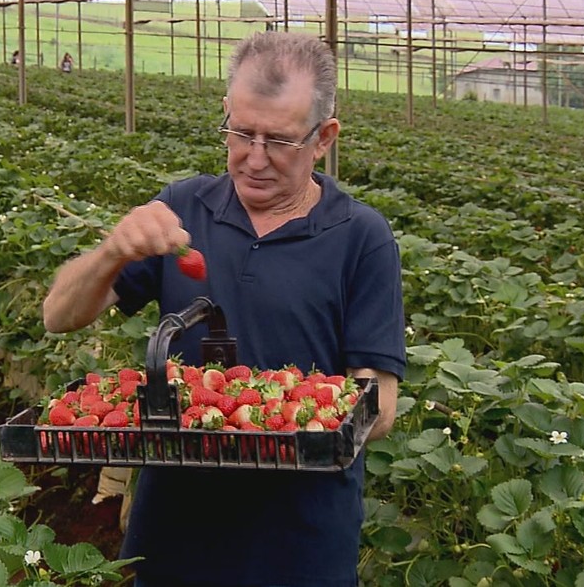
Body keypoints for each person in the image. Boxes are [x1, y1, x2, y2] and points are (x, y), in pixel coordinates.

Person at [42, 31, 405, 587]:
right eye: (241, 132)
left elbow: (377, 408)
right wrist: (112, 251)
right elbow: (59, 316)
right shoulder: (184, 208)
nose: (254, 158)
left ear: (323, 137)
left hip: (299, 542)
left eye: (278, 141)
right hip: (174, 531)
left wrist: (281, 426)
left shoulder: (361, 238)